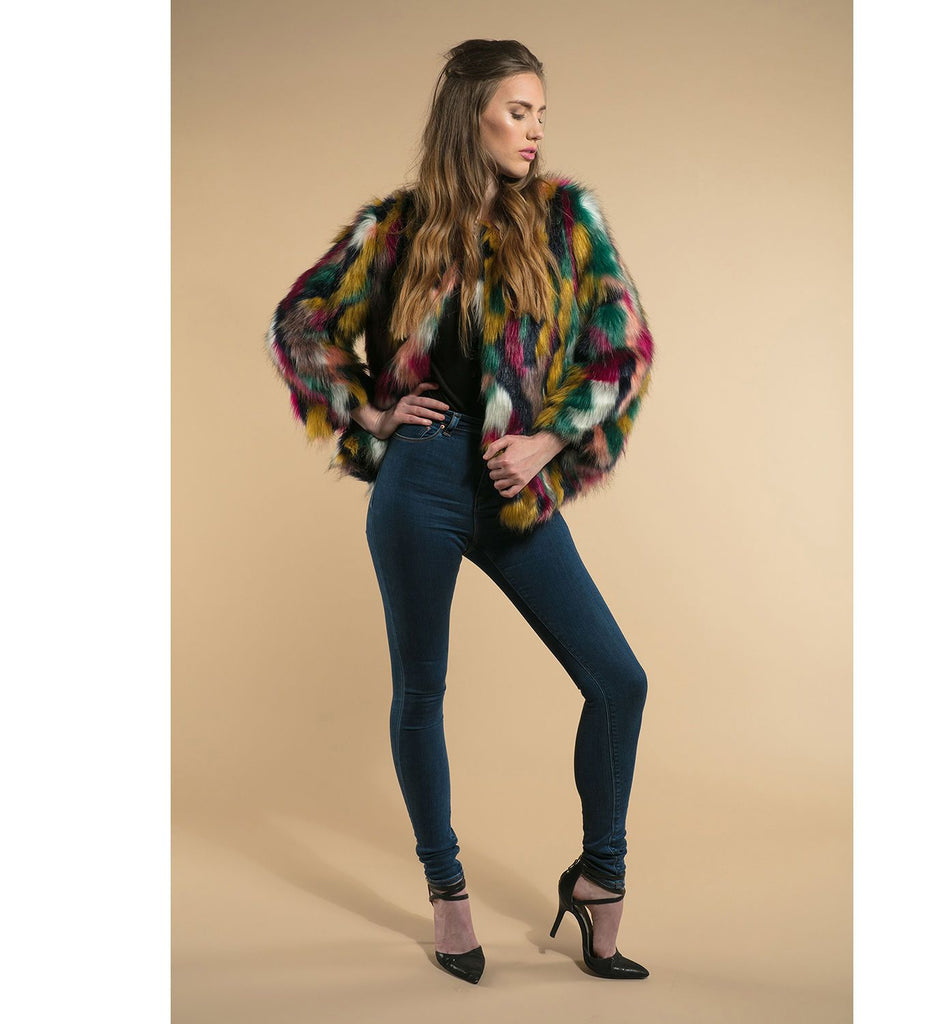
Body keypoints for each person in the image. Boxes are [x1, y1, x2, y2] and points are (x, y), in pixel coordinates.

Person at [265, 39, 655, 984]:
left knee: (618, 680)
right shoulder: (396, 229)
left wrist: (547, 440)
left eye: (542, 114)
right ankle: (447, 892)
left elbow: (625, 350)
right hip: (424, 482)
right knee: (422, 692)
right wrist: (370, 413)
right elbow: (298, 324)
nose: (535, 130)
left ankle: (600, 877)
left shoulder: (564, 219)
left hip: (516, 487)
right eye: (518, 111)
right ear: (468, 114)